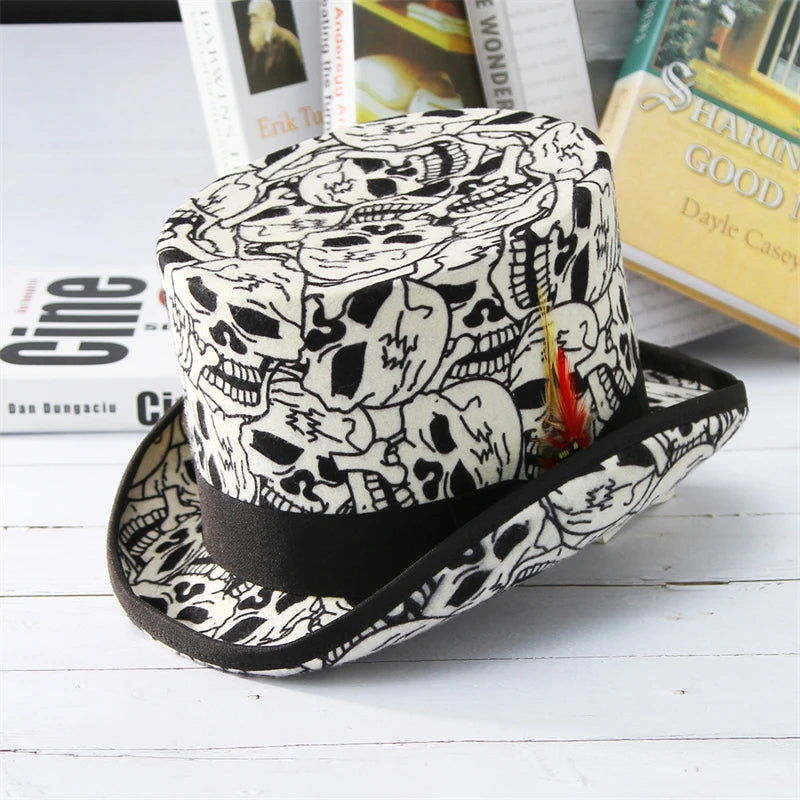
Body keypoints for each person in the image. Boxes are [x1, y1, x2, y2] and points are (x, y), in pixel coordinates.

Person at [246, 0, 306, 93]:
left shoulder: (289, 41)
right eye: (250, 16)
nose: (251, 20)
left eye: (255, 15)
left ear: (269, 13)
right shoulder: (259, 45)